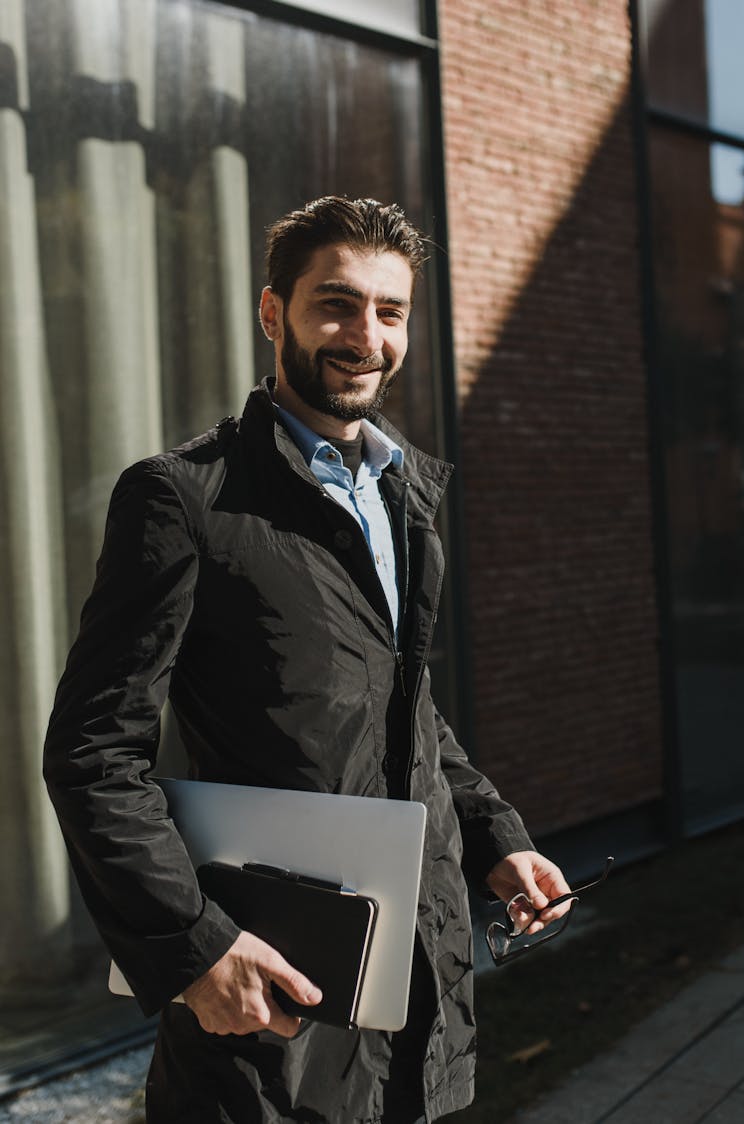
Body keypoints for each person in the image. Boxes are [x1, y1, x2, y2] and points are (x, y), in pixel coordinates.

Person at [43, 196, 570, 1124]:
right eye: (336, 303)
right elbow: (92, 756)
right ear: (272, 311)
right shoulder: (184, 499)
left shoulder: (405, 496)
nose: (365, 335)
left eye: (390, 310)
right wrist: (196, 948)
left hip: (420, 962)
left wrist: (498, 838)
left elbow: (404, 704)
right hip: (266, 987)